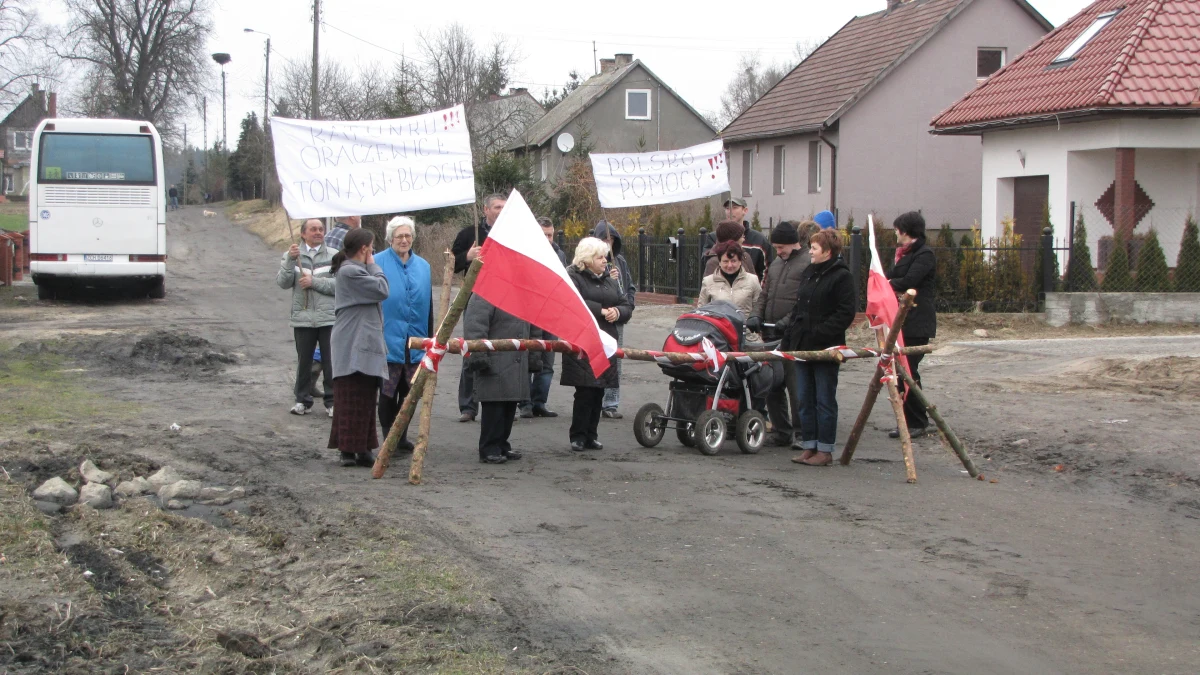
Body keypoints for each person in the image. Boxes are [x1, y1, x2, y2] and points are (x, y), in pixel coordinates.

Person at [780, 229, 856, 467]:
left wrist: (819, 333)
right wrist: (789, 336)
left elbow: (845, 313)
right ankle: (809, 445)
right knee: (804, 398)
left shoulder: (842, 277)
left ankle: (825, 449)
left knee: (824, 399)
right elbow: (799, 308)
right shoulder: (809, 272)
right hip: (803, 347)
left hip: (826, 348)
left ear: (828, 251)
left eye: (814, 248)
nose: (810, 251)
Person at [563, 237, 633, 451]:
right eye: (600, 257)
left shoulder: (610, 280)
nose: (605, 261)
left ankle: (591, 435)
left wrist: (617, 312)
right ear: (587, 259)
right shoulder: (573, 276)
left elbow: (626, 304)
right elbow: (572, 302)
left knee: (599, 390)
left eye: (605, 257)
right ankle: (578, 435)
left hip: (606, 341)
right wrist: (601, 310)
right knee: (585, 391)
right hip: (583, 341)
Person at [749, 221, 814, 445]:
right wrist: (756, 315)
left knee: (797, 387)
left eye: (781, 247)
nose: (778, 251)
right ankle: (781, 430)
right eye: (776, 247)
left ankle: (801, 432)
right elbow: (764, 294)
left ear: (793, 243)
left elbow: (804, 301)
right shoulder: (776, 264)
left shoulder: (807, 263)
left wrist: (786, 322)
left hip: (795, 336)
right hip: (770, 334)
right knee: (772, 384)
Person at [328, 229, 389, 467]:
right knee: (349, 396)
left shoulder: (354, 270)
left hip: (362, 341)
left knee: (365, 397)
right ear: (364, 248)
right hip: (351, 342)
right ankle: (347, 449)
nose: (373, 251)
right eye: (371, 247)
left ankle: (363, 448)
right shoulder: (350, 271)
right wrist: (373, 265)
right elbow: (382, 289)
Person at [376, 216, 433, 452]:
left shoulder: (424, 266)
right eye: (399, 236)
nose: (404, 240)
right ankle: (388, 438)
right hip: (387, 339)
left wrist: (430, 339)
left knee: (410, 393)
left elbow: (428, 305)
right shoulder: (376, 262)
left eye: (408, 235)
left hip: (415, 341)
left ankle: (401, 436)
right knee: (388, 393)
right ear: (390, 238)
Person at [463, 294, 540, 464]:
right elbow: (475, 324)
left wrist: (534, 355)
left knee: (509, 404)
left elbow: (534, 326)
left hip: (516, 357)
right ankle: (489, 448)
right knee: (494, 405)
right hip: (494, 359)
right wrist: (479, 354)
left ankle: (502, 444)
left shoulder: (523, 294)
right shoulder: (486, 292)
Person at [451, 193, 507, 422]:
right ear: (486, 210)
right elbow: (451, 264)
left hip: (505, 300)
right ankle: (468, 406)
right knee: (473, 349)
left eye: (504, 207)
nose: (501, 211)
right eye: (497, 207)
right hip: (476, 298)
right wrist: (467, 256)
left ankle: (503, 402)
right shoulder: (469, 234)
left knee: (503, 352)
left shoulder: (513, 234)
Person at [276, 218, 337, 417]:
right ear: (303, 234)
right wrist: (289, 260)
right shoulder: (292, 256)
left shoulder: (334, 256)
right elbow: (283, 283)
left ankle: (332, 401)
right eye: (313, 229)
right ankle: (302, 400)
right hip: (302, 317)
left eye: (321, 229)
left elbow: (341, 285)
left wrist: (314, 282)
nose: (318, 232)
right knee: (304, 362)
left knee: (331, 362)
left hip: (328, 318)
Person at [888, 211, 936, 439]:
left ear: (905, 230)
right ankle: (908, 420)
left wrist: (887, 283)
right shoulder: (903, 254)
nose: (895, 234)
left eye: (897, 229)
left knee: (907, 371)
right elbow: (894, 277)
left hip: (917, 322)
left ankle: (917, 421)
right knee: (901, 371)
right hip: (901, 320)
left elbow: (909, 281)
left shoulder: (924, 254)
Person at [519, 217, 566, 419]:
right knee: (527, 358)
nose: (547, 239)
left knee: (547, 360)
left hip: (551, 313)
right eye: (543, 235)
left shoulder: (559, 255)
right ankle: (525, 403)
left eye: (550, 235)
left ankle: (539, 402)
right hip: (528, 312)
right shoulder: (524, 253)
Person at [592, 220, 636, 420]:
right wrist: (607, 277)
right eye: (604, 239)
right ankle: (595, 399)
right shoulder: (592, 262)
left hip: (617, 317)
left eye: (611, 240)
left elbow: (630, 287)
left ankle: (611, 403)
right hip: (599, 318)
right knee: (597, 358)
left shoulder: (620, 262)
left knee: (615, 360)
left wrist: (628, 306)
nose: (608, 243)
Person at [697, 241, 761, 323]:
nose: (730, 265)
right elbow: (701, 311)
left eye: (733, 261)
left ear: (740, 261)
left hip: (744, 329)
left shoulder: (753, 280)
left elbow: (758, 308)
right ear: (719, 262)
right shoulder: (708, 281)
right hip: (719, 329)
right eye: (725, 261)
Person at [724, 197, 774, 280]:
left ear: (745, 210)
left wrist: (757, 288)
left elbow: (767, 271)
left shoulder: (759, 240)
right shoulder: (716, 238)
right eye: (727, 208)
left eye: (735, 208)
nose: (730, 211)